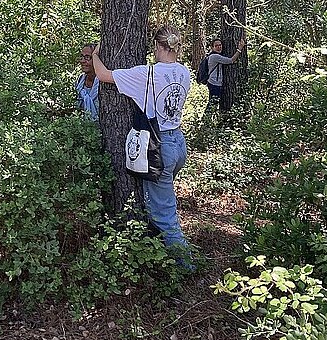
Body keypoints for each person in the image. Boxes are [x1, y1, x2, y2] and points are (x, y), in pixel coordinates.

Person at [91, 26, 194, 265]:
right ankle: (160, 253)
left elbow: (104, 75)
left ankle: (186, 266)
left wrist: (95, 54)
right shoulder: (183, 72)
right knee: (160, 198)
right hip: (178, 144)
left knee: (164, 214)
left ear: (157, 46)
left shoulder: (146, 74)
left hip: (158, 147)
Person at [205, 37, 245, 102]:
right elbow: (231, 60)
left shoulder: (214, 55)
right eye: (216, 46)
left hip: (214, 82)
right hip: (214, 83)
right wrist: (239, 49)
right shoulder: (215, 56)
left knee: (214, 102)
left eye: (220, 45)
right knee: (213, 103)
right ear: (212, 48)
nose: (219, 47)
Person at [75, 43, 99, 121]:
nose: (82, 61)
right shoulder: (79, 81)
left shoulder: (102, 83)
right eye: (81, 56)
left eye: (87, 57)